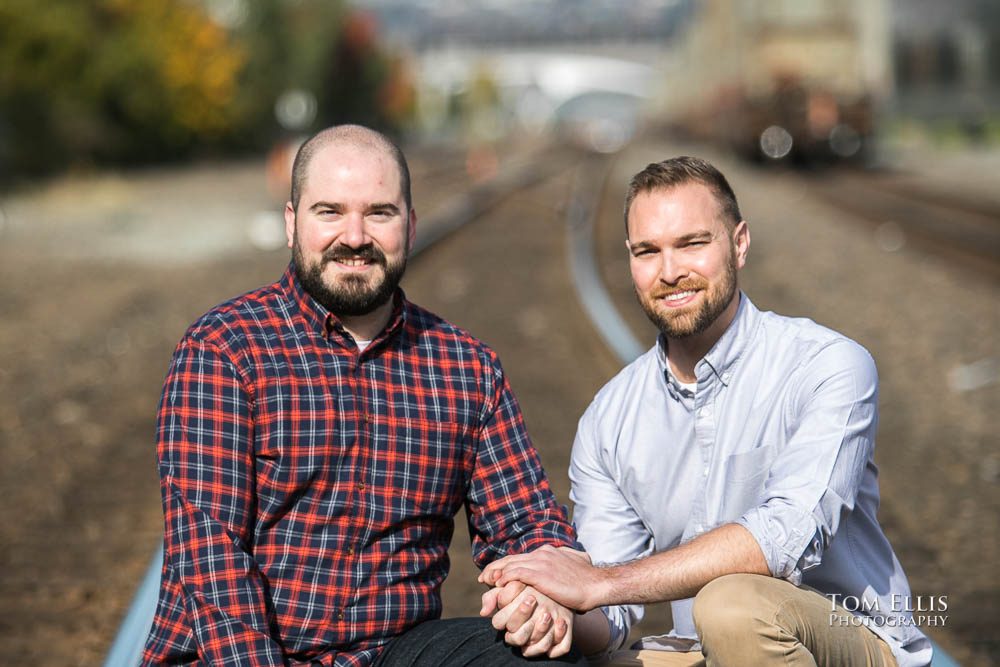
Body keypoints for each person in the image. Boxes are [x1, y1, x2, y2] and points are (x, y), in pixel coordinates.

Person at [142, 124, 585, 666]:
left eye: (379, 213)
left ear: (411, 225)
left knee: (539, 658)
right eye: (329, 212)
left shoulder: (467, 368)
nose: (354, 236)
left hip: (393, 653)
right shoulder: (224, 351)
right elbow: (212, 556)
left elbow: (526, 522)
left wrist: (541, 588)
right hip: (236, 654)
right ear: (291, 223)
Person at [480, 157, 933, 666]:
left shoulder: (826, 366)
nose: (670, 272)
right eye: (648, 251)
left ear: (739, 243)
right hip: (702, 652)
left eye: (692, 244)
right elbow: (608, 616)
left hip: (843, 641)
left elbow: (782, 541)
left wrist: (598, 583)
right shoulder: (609, 418)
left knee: (731, 605)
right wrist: (547, 606)